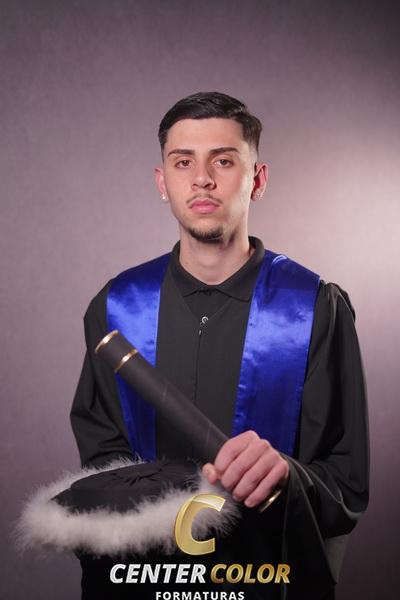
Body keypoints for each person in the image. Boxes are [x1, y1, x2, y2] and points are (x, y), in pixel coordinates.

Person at [70, 92, 369, 599]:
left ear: (258, 179)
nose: (202, 179)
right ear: (162, 182)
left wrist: (285, 476)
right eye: (183, 162)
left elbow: (345, 482)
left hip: (264, 581)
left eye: (224, 161)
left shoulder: (314, 308)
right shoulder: (118, 308)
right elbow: (102, 464)